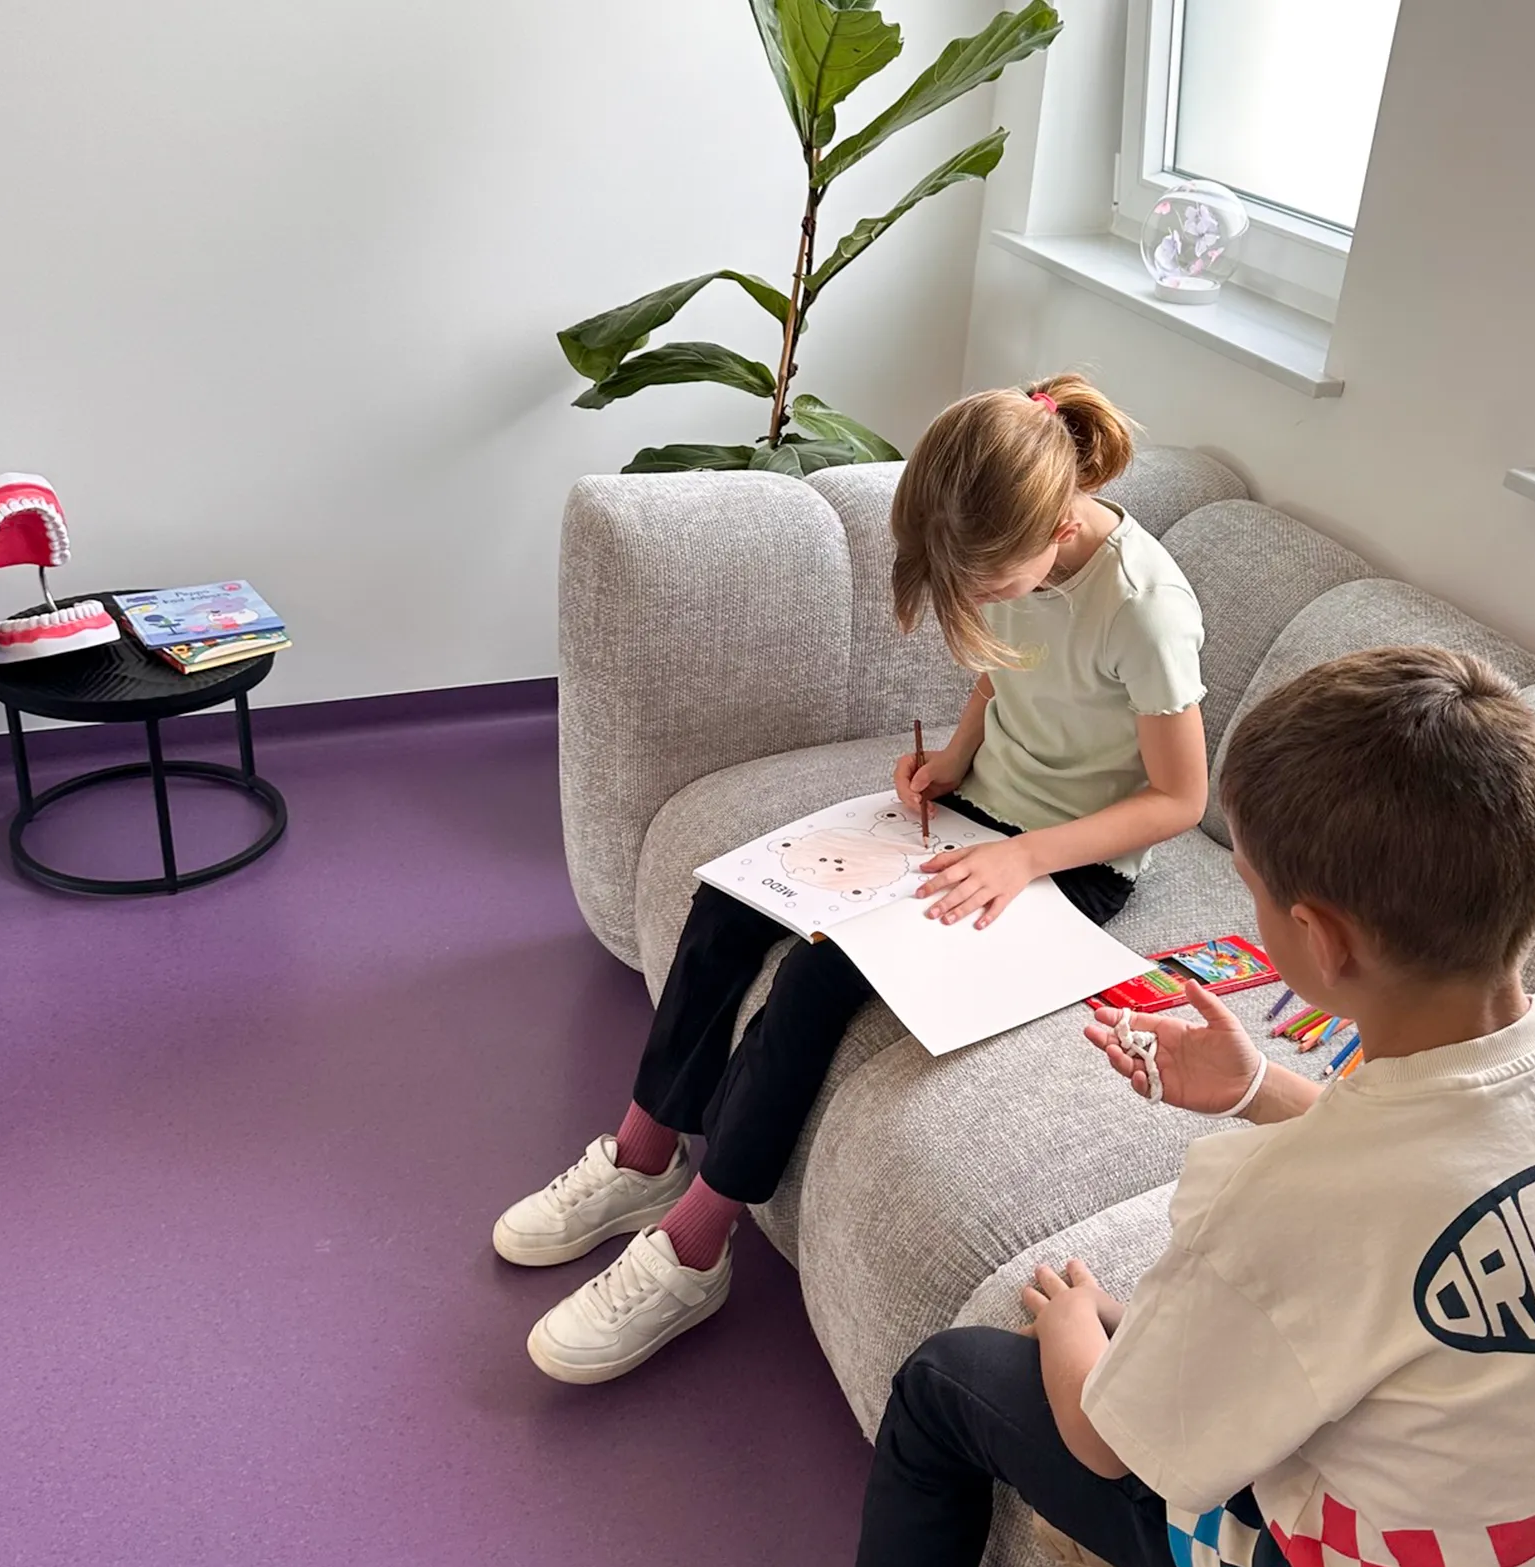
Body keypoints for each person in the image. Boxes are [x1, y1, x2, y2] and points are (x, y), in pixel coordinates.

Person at [849, 646, 1535, 1567]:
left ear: (1319, 938)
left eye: (1255, 890)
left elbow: (1107, 1443)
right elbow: (1451, 1181)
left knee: (946, 1380)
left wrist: (1071, 1329)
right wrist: (1258, 1087)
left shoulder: (1280, 1200)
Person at [494, 373, 1212, 1383]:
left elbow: (1179, 799)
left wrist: (1021, 854)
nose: (981, 605)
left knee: (820, 977)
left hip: (1070, 863)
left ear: (1059, 526)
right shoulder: (1014, 555)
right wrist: (955, 760)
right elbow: (1002, 675)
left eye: (992, 588)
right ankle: (644, 1154)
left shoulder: (1145, 607)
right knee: (732, 900)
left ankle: (695, 1248)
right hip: (971, 818)